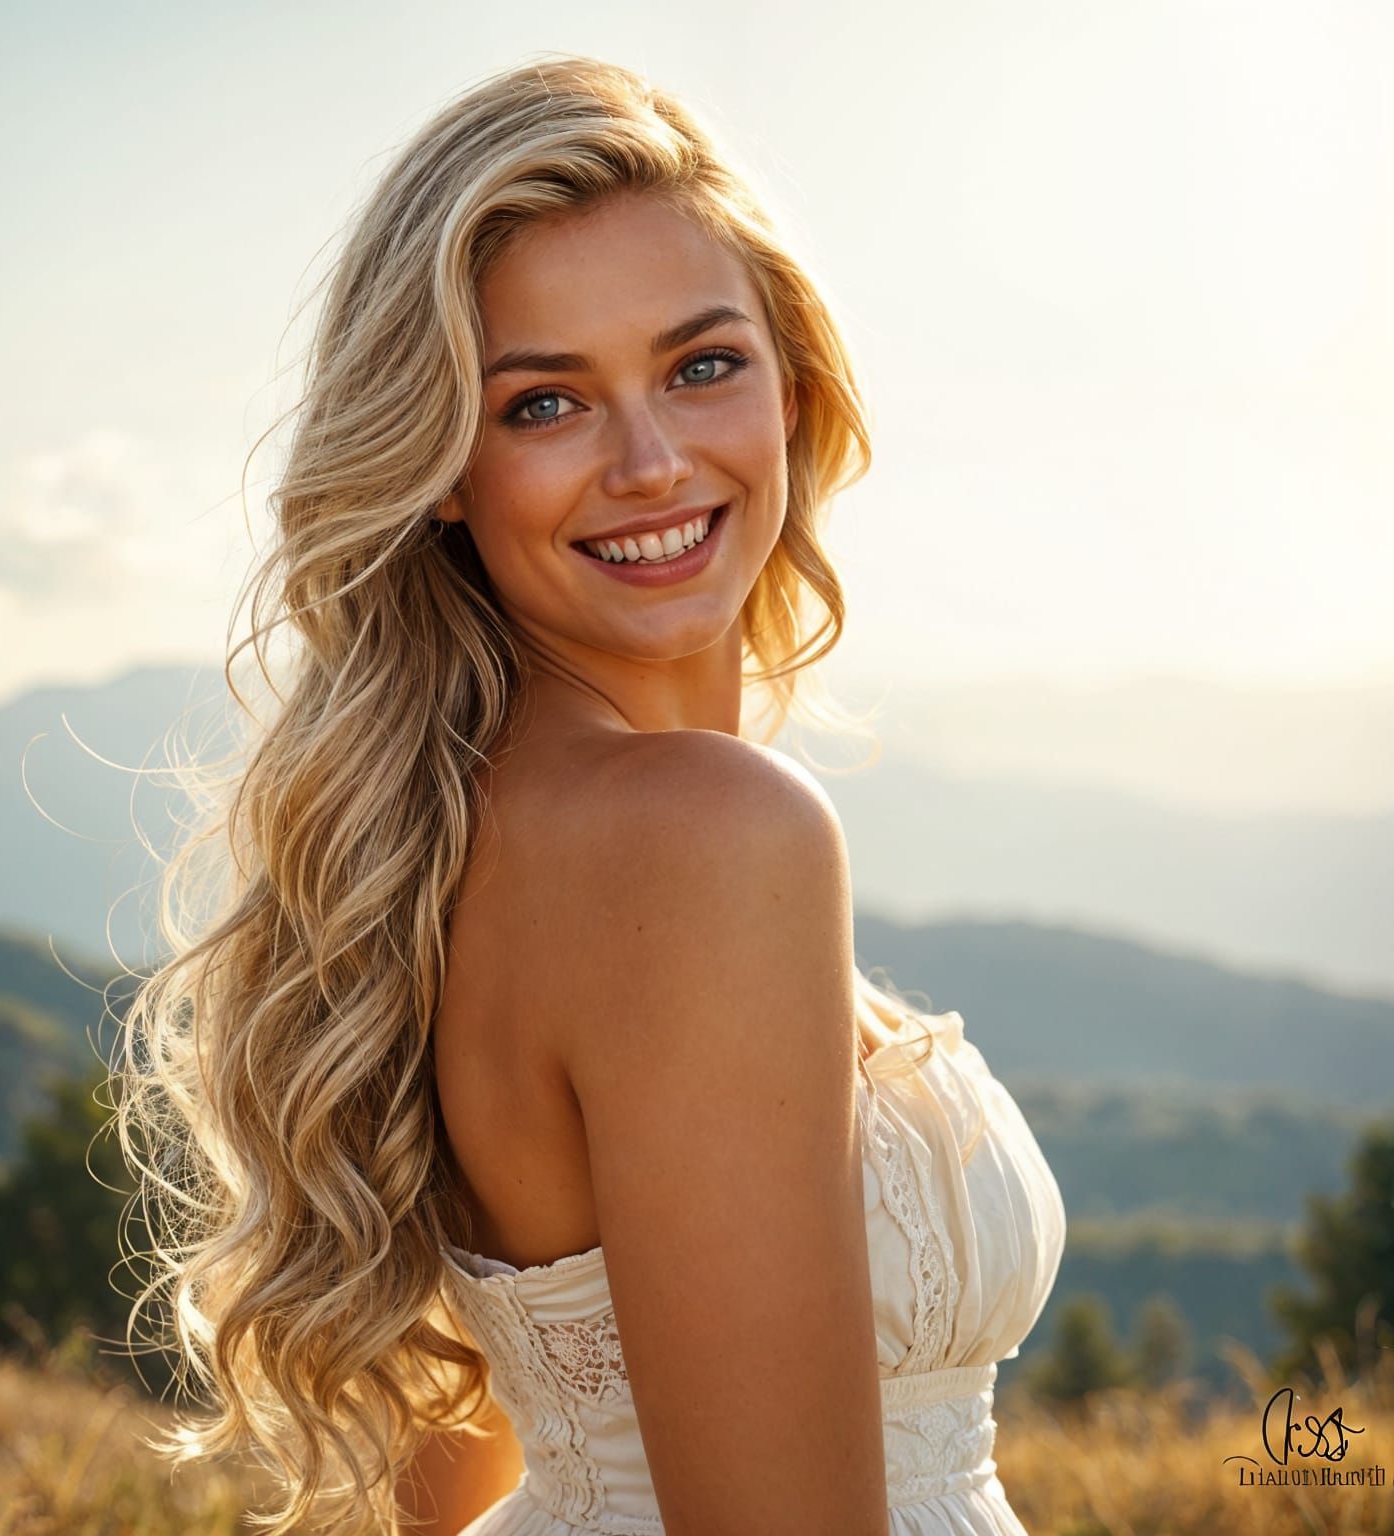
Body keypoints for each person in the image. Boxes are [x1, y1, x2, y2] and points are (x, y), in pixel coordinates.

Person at [113, 53, 1066, 1536]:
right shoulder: (702, 839)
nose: (650, 461)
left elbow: (475, 1458)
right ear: (438, 465)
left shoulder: (444, 837)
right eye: (546, 403)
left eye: (701, 366)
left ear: (793, 384)